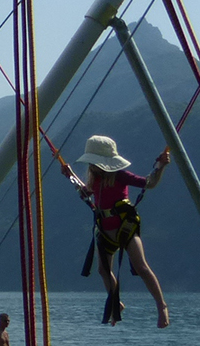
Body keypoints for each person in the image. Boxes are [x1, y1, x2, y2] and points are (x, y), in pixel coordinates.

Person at [61, 135, 171, 327]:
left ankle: (161, 306)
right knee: (103, 270)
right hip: (105, 230)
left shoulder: (120, 175)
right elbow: (85, 192)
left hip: (124, 227)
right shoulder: (94, 178)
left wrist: (160, 167)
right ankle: (116, 303)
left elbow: (149, 183)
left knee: (141, 267)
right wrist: (70, 175)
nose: (92, 166)